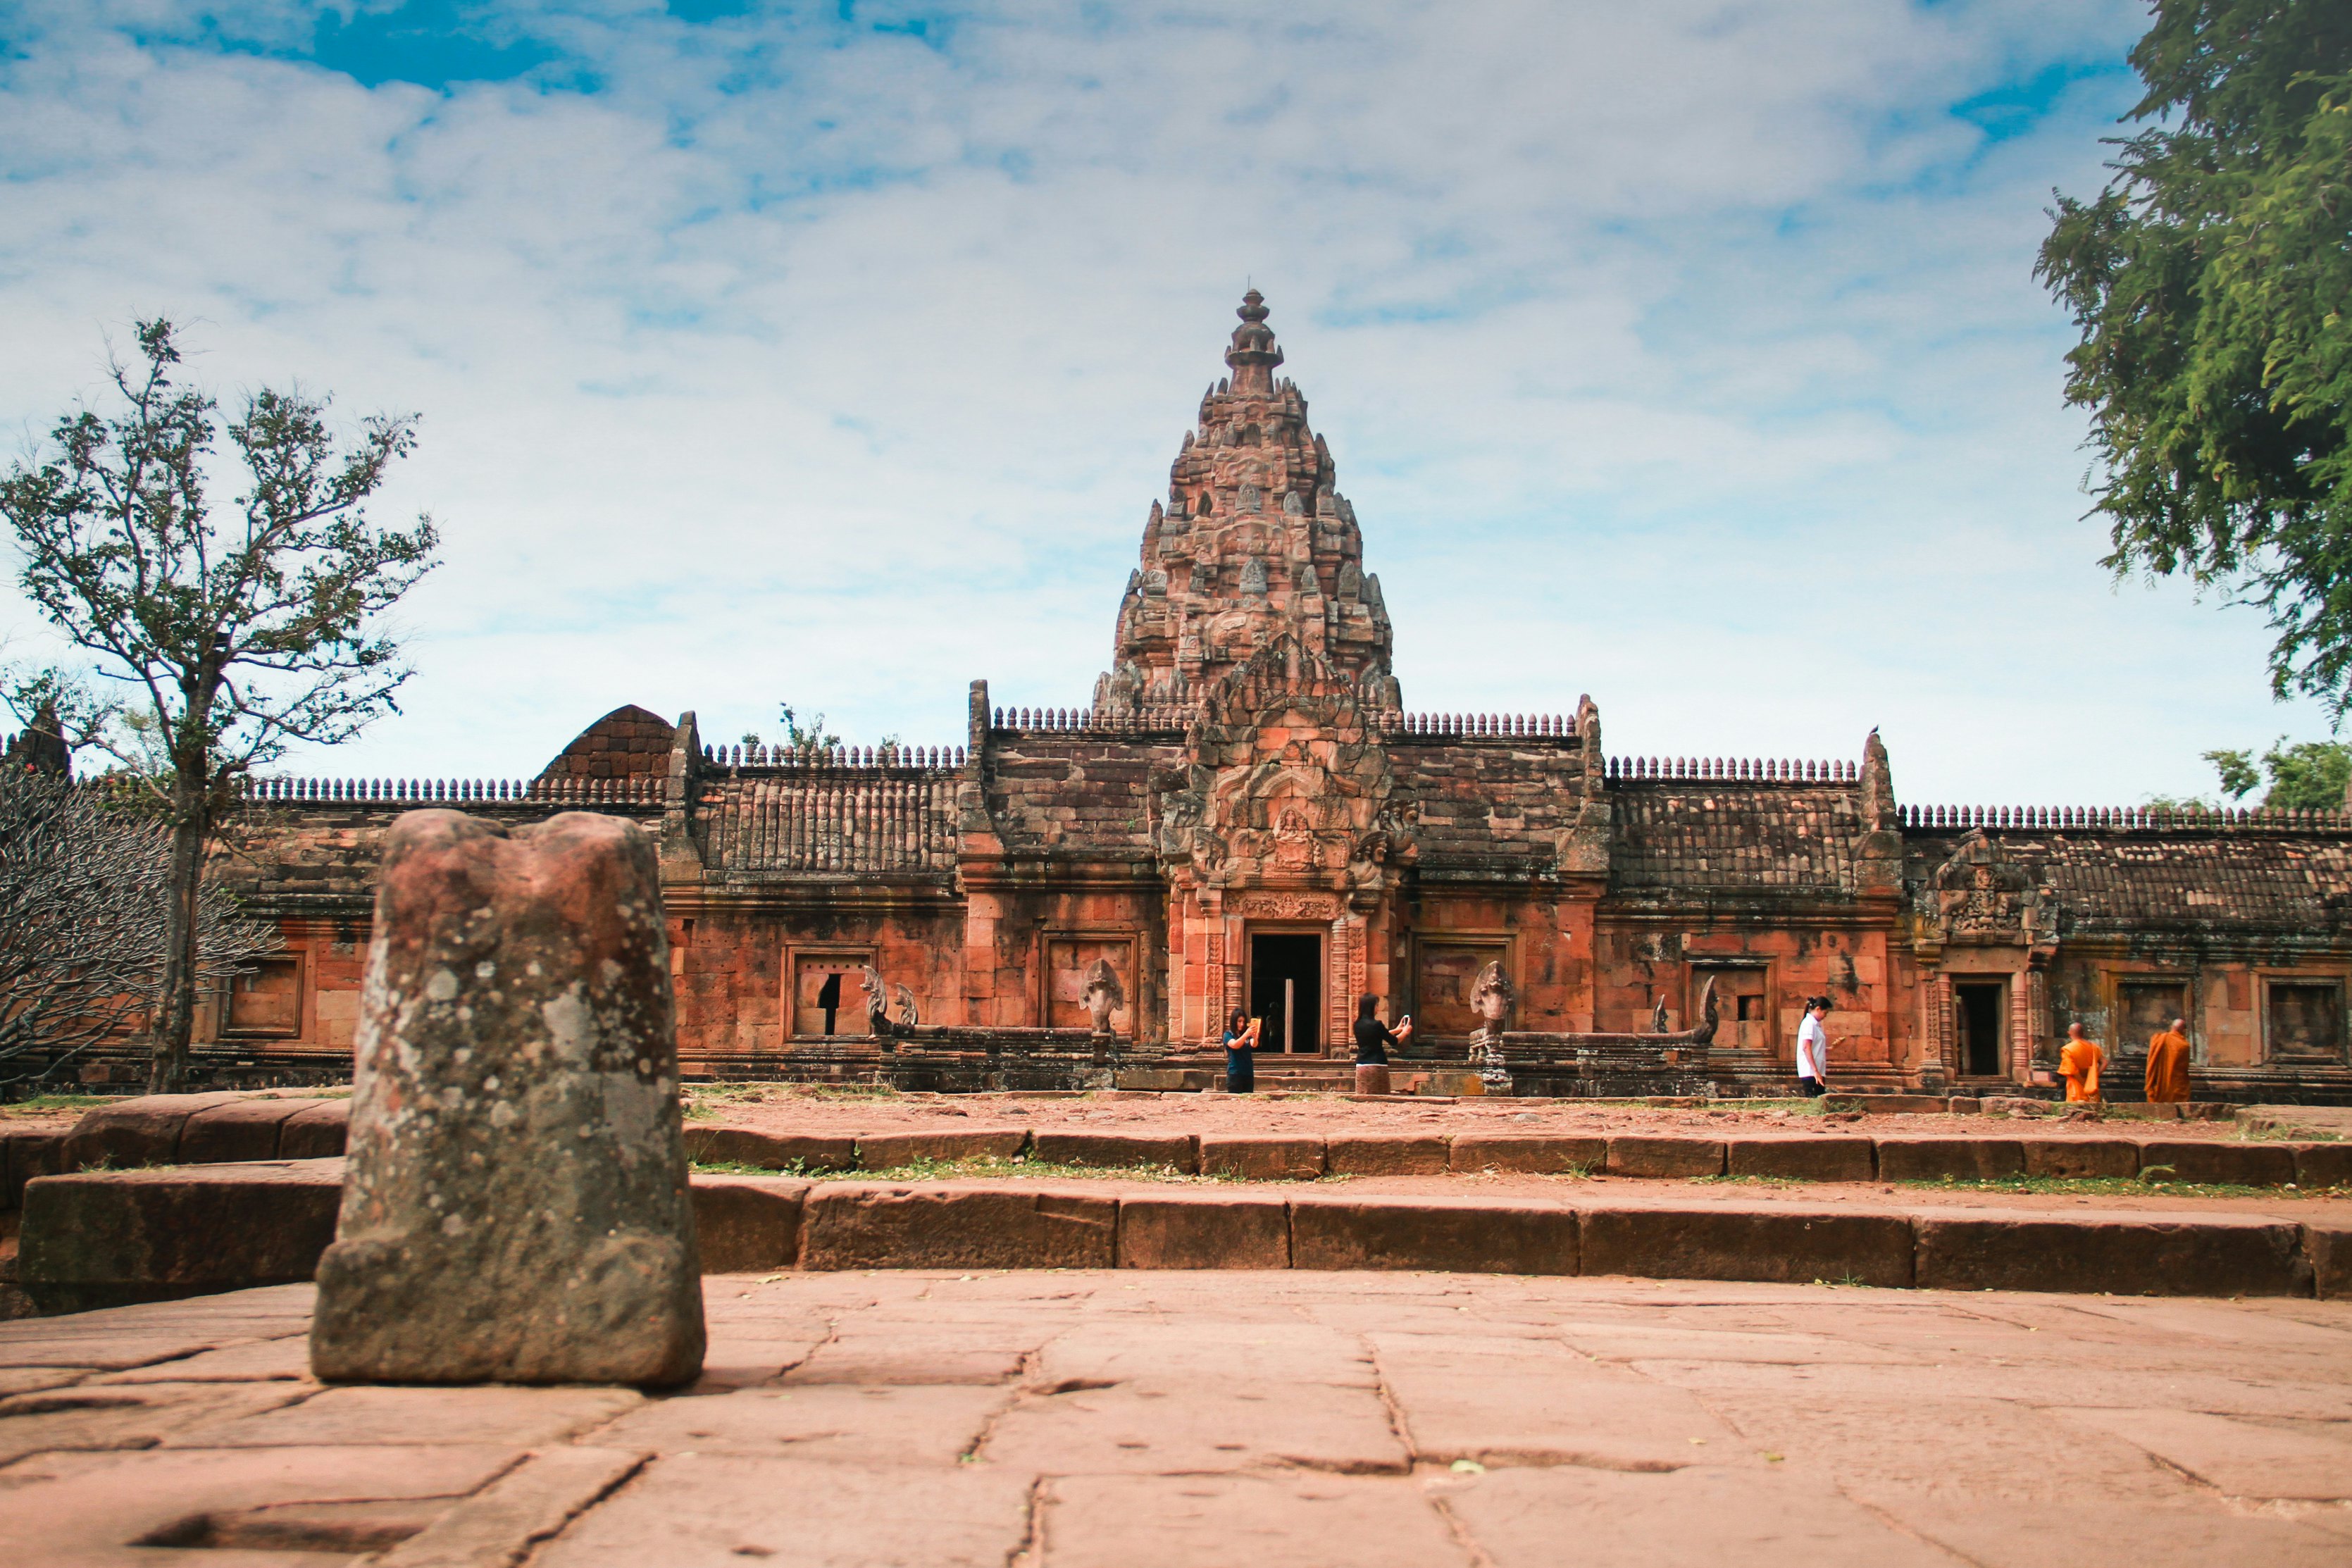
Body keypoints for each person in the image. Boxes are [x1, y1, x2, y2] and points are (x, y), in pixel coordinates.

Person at [1352, 995, 1414, 1096]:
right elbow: (1394, 1041)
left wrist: (1397, 1030)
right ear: (1372, 1007)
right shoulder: (1377, 1024)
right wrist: (1405, 1032)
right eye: (1377, 1005)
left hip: (1361, 1065)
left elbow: (1375, 1035)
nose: (1378, 1008)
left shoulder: (1357, 1024)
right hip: (1377, 1064)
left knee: (1364, 1095)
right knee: (1380, 1095)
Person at [2144, 1017, 2191, 1105]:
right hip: (2175, 1086)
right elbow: (2183, 1068)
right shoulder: (2184, 1045)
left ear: (2172, 1027)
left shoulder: (2158, 1039)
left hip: (2159, 1083)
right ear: (2184, 1030)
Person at [2060, 1021, 2106, 1103]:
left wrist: (2083, 1083)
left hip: (2076, 1089)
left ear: (2069, 1033)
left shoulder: (2068, 1049)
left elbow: (2072, 1071)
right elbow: (2104, 1062)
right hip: (2092, 1086)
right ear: (2083, 1033)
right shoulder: (2094, 1047)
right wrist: (2094, 1076)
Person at [1795, 997, 1831, 1096]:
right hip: (1810, 1071)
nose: (1825, 1016)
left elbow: (1815, 1047)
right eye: (1825, 1013)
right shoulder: (1809, 1024)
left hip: (1817, 1070)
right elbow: (1806, 1047)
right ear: (1818, 1009)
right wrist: (1815, 1070)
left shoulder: (1815, 1025)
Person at [1221, 1008, 1262, 1094]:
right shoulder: (1228, 1034)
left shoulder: (1247, 1035)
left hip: (1248, 1072)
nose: (1242, 1024)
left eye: (1243, 1022)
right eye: (1239, 1021)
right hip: (1235, 1073)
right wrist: (1246, 1035)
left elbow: (1254, 1044)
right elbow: (1235, 1045)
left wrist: (1255, 1036)